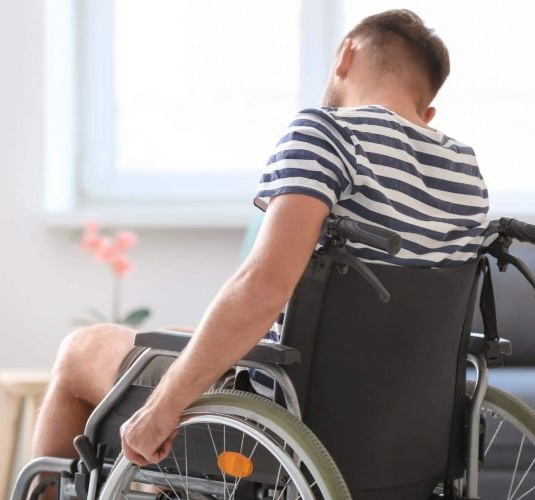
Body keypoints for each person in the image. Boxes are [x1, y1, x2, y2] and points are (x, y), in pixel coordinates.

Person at [30, 7, 488, 496]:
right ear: (428, 114)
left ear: (345, 56)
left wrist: (163, 408)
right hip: (402, 431)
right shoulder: (465, 170)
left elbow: (263, 286)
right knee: (185, 337)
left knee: (81, 351)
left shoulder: (327, 133)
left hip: (293, 415)